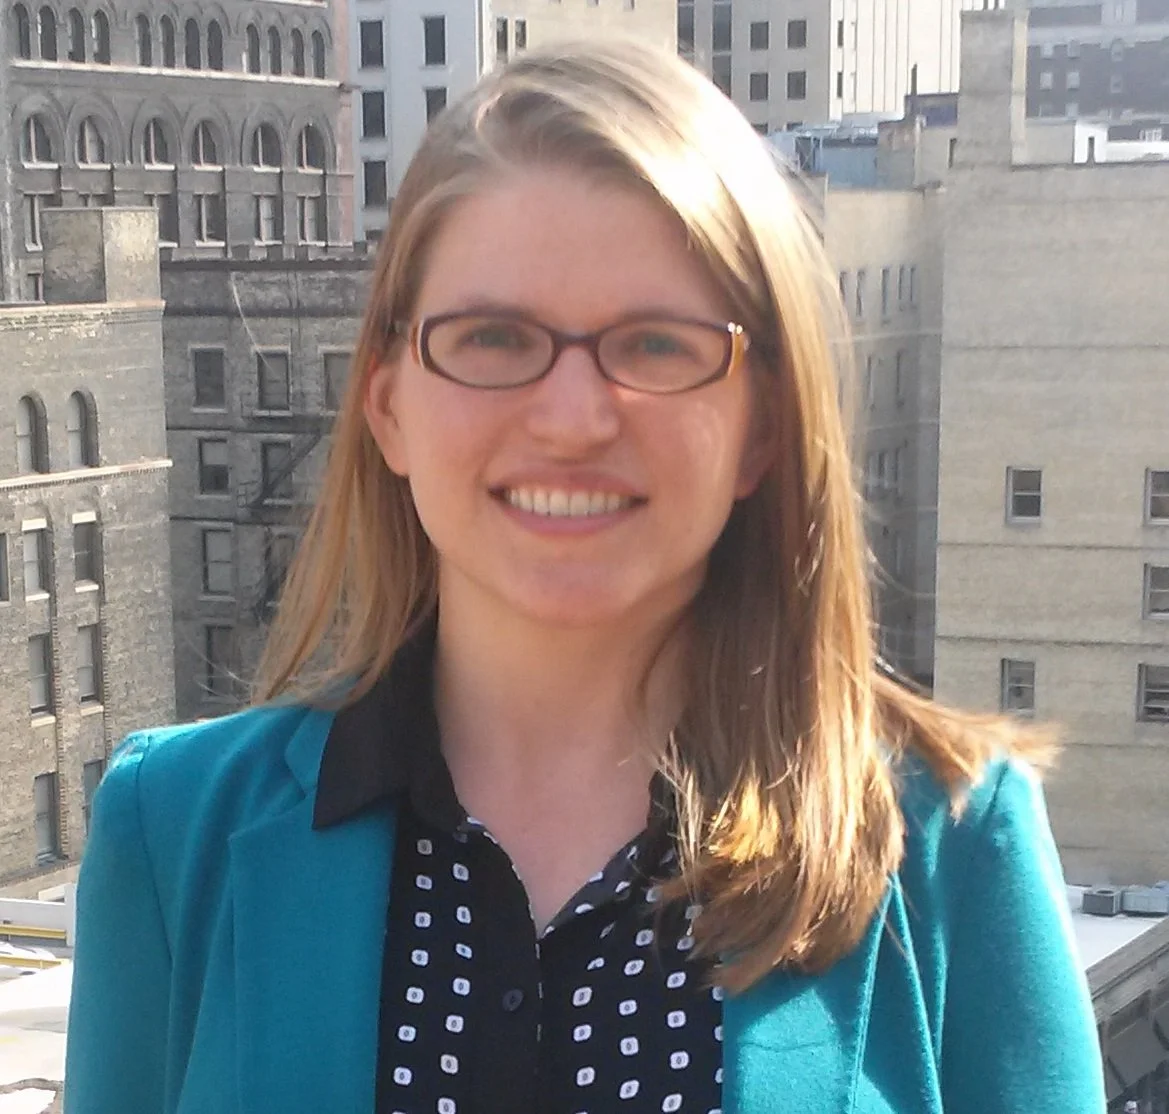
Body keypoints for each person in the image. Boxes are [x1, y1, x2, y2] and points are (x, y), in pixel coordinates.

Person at [65, 39, 1106, 1114]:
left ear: (760, 429)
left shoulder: (946, 847)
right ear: (387, 406)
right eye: (493, 336)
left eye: (656, 344)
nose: (570, 418)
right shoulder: (172, 831)